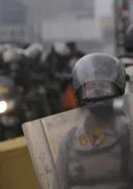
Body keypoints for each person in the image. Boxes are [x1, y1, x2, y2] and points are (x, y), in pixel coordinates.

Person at [55, 53, 133, 188]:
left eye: (103, 85)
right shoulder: (68, 141)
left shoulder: (129, 133)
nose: (97, 91)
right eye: (92, 86)